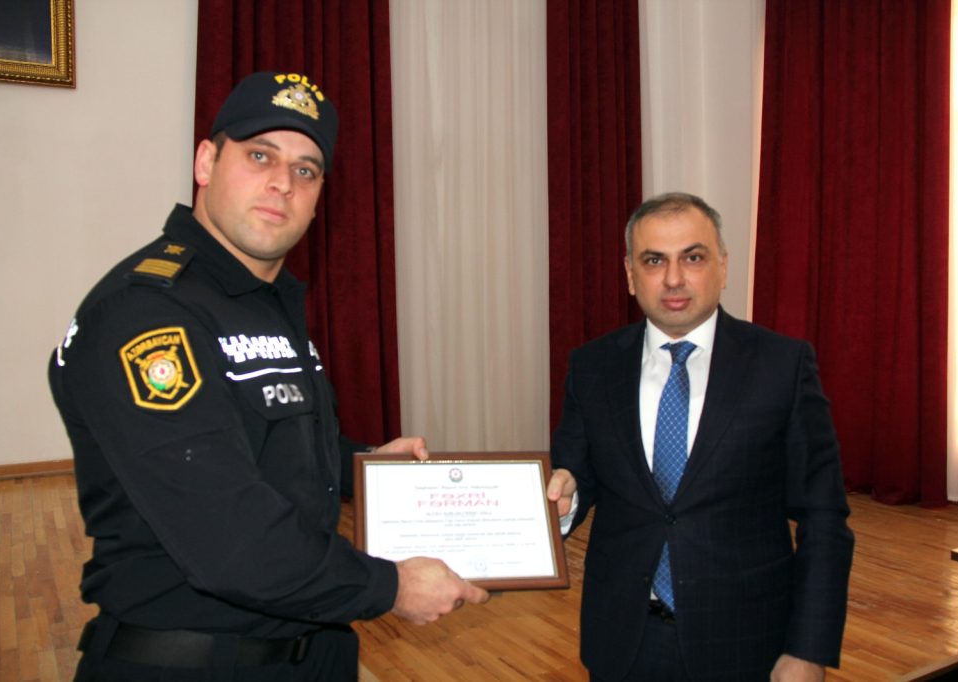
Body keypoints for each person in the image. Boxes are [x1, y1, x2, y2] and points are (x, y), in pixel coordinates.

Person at [48, 71, 488, 682]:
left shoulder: (264, 300)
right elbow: (227, 537)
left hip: (307, 649)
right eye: (260, 156)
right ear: (206, 162)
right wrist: (389, 586)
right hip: (191, 663)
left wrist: (363, 466)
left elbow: (267, 440)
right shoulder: (146, 312)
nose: (283, 182)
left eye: (306, 170)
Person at [546, 193, 853, 681]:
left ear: (723, 266)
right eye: (654, 261)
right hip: (623, 640)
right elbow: (577, 474)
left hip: (748, 643)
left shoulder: (783, 366)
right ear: (630, 274)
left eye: (692, 257)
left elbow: (823, 517)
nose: (673, 278)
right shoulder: (592, 366)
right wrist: (566, 498)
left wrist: (808, 650)